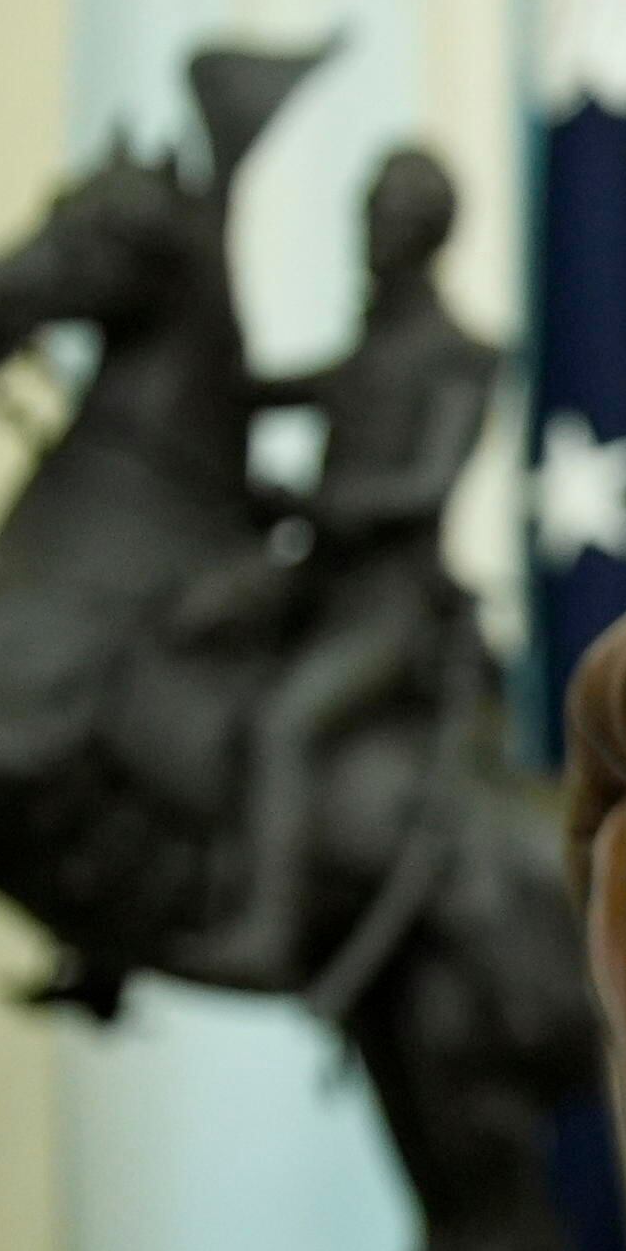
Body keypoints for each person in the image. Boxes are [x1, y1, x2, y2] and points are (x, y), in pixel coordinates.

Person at [183, 146, 497, 1009]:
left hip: (390, 610)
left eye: (396, 217)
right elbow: (242, 392)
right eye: (372, 211)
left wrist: (317, 500)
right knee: (172, 657)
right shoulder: (364, 352)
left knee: (283, 724)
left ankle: (265, 930)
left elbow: (425, 486)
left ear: (428, 235)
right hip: (313, 586)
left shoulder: (461, 356)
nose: (376, 231)